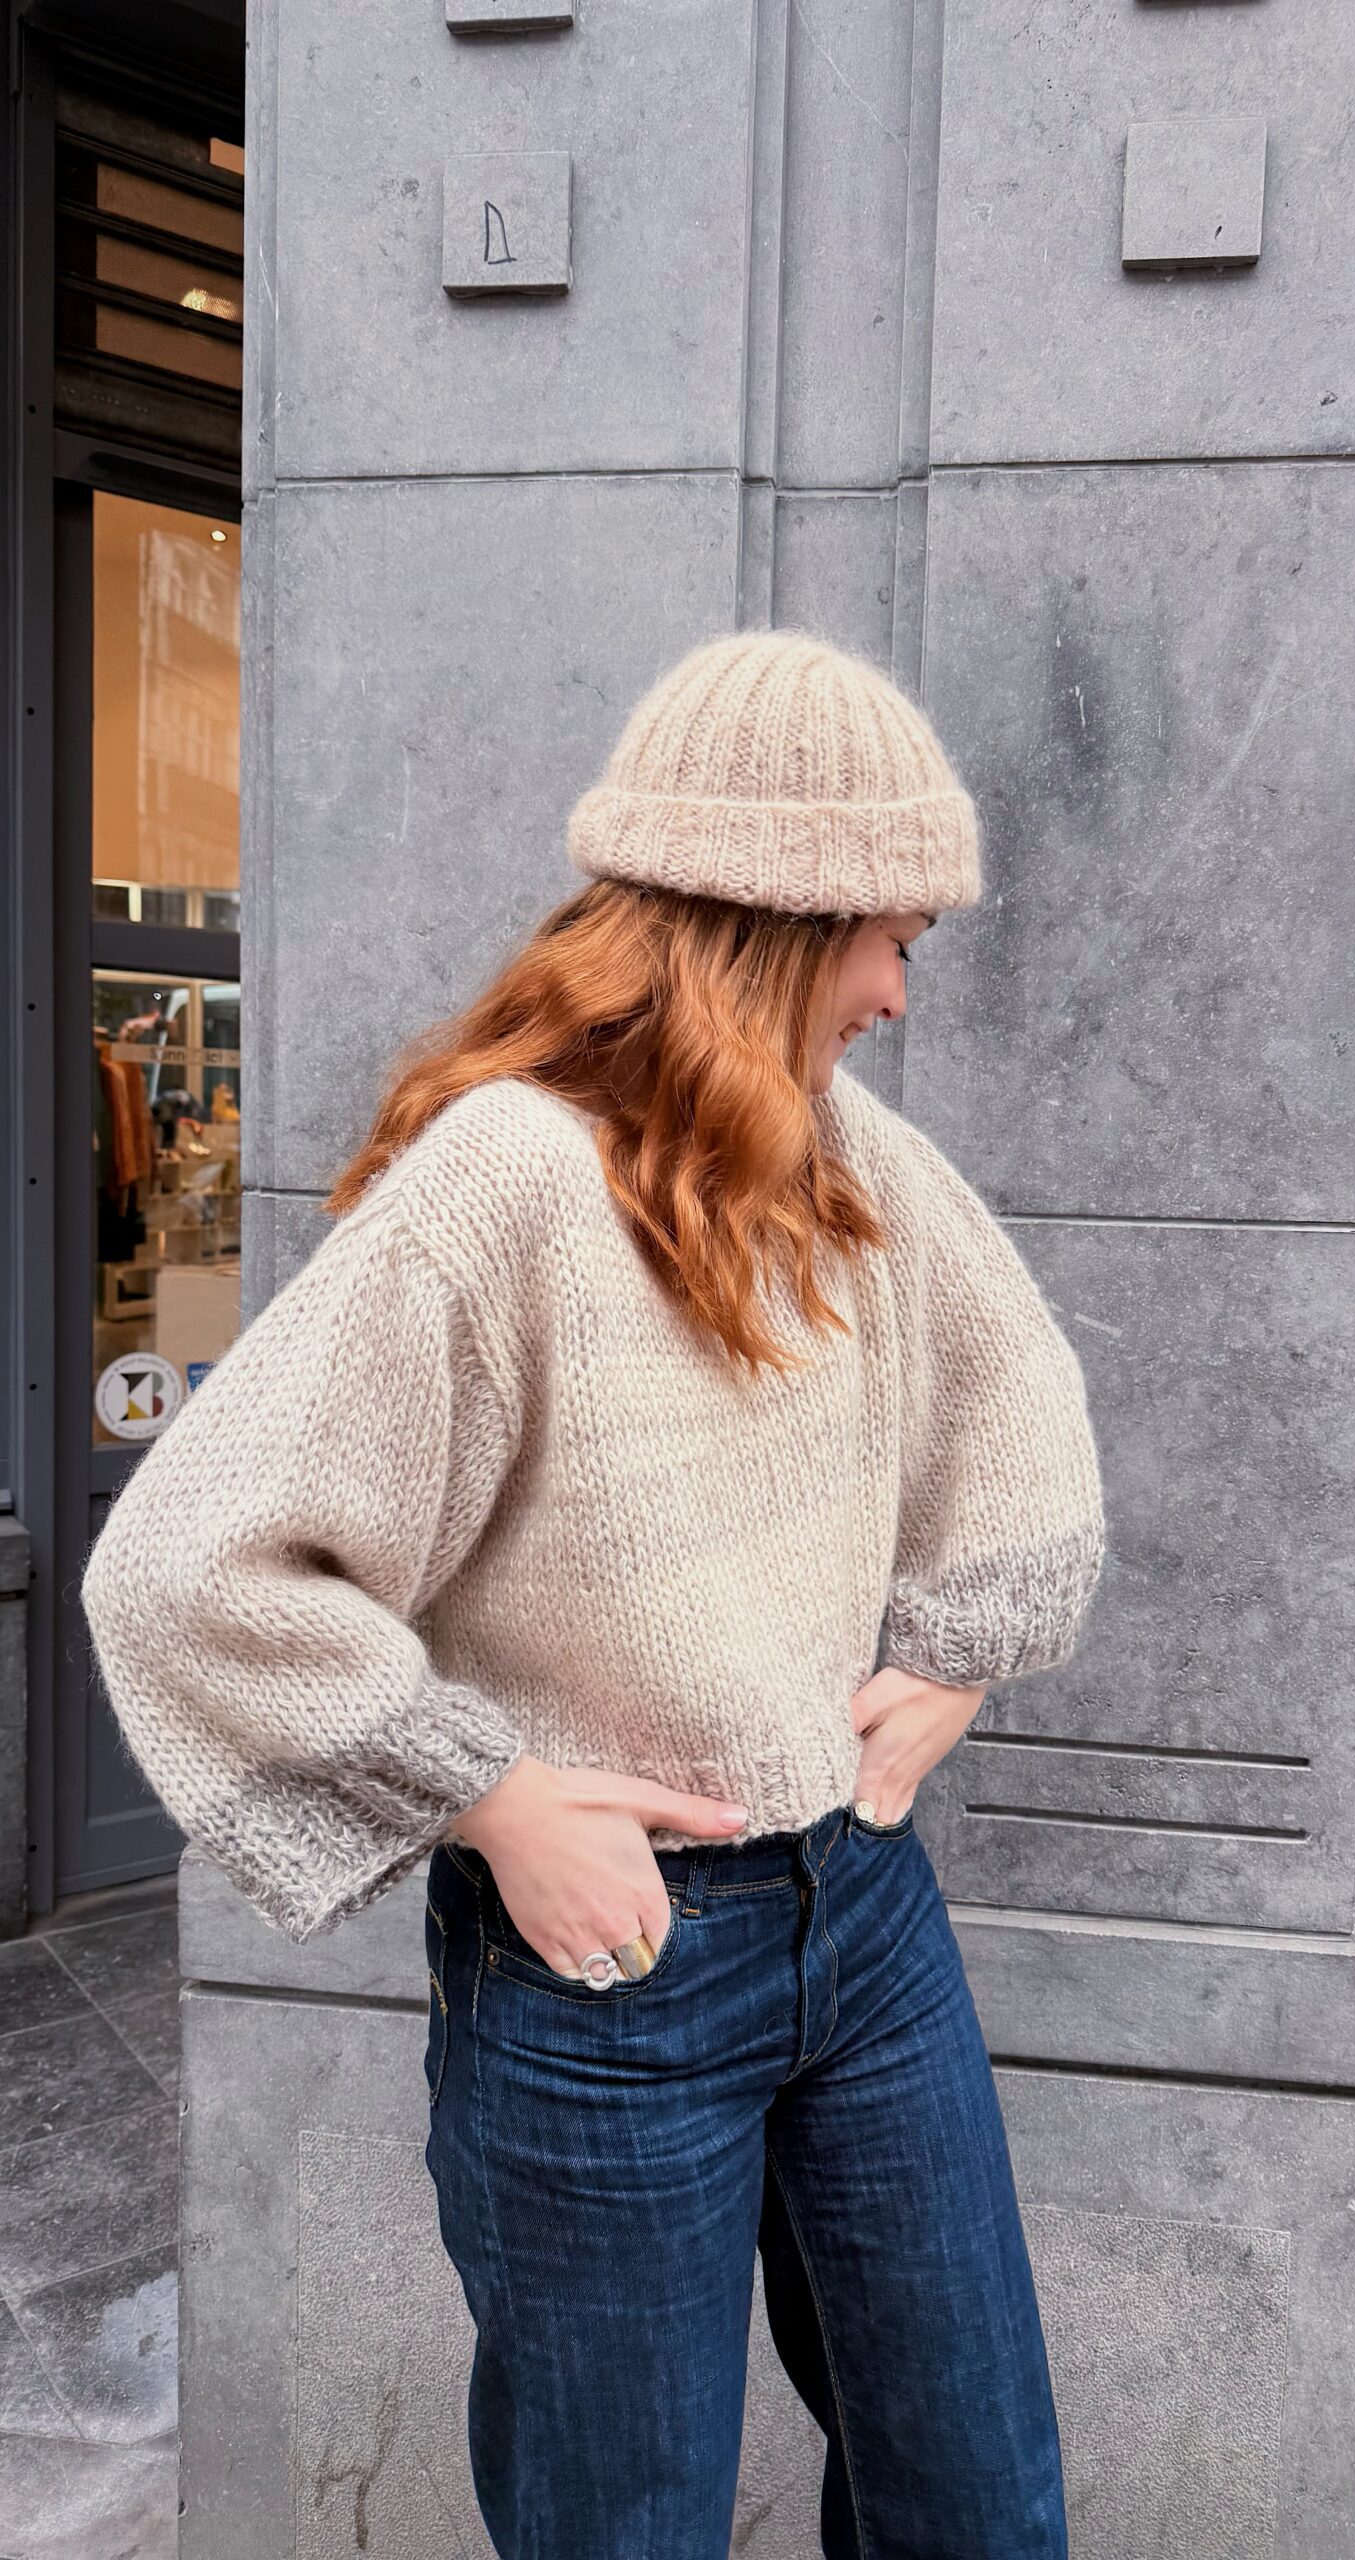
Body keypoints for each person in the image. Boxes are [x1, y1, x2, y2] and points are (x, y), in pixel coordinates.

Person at [81, 627, 1107, 2560]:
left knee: (980, 2504)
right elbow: (191, 1562)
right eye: (888, 941)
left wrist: (959, 1657)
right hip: (612, 1970)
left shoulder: (843, 1159)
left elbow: (1019, 1398)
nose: (897, 993)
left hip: (868, 1921)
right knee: (620, 2529)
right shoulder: (510, 1180)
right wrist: (486, 1792)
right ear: (770, 925)